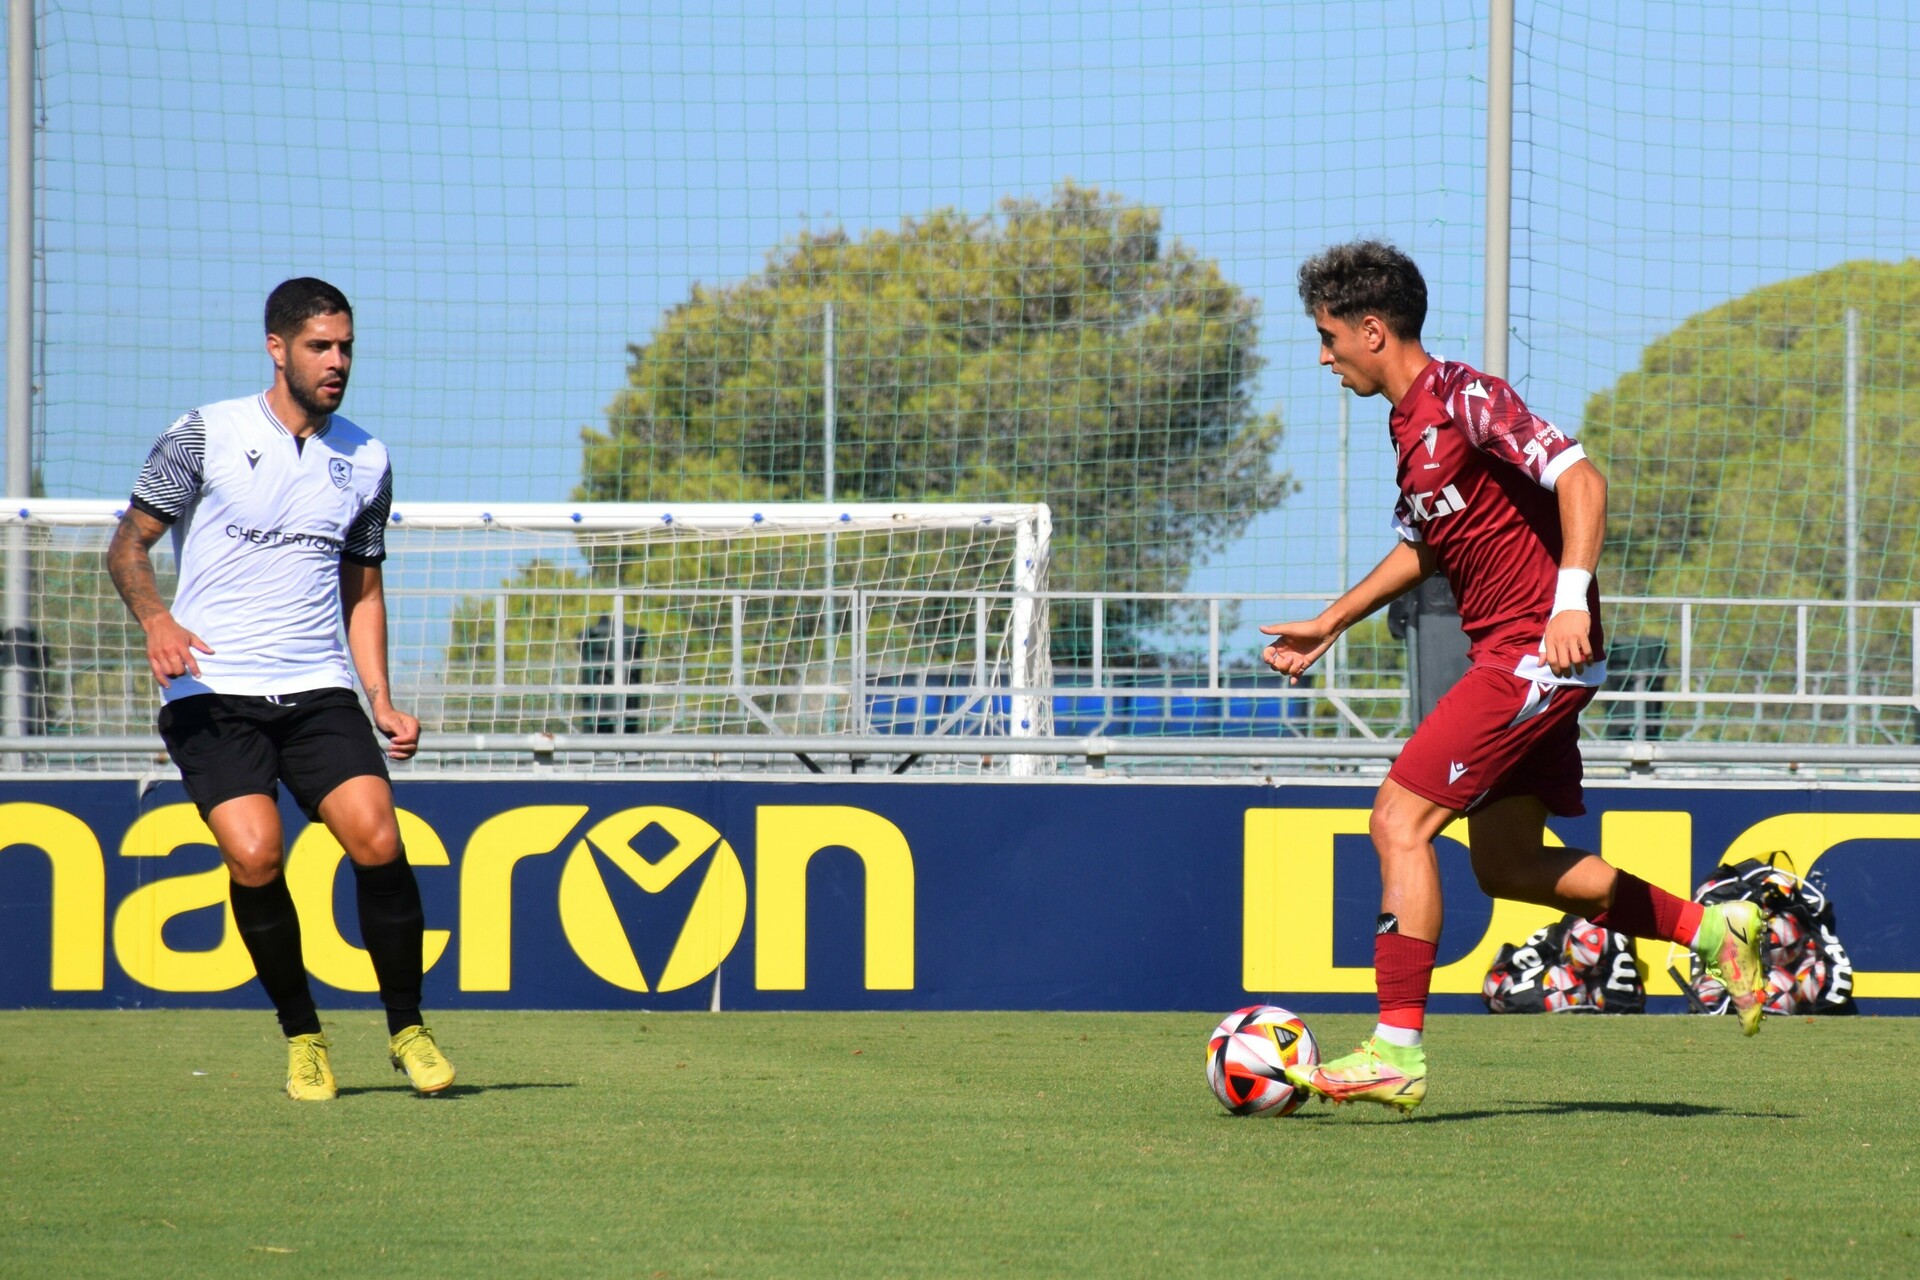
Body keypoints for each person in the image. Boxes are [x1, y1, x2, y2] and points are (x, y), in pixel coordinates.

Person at [1259, 241, 1764, 1116]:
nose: (1323, 356)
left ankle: (1394, 1052)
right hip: (1515, 652)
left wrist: (1569, 603)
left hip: (1536, 650)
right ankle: (1713, 929)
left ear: (1372, 330)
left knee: (1397, 821)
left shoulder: (1465, 396)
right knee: (1507, 864)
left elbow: (1581, 479)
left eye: (1328, 337)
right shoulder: (1407, 427)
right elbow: (1427, 546)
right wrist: (1331, 621)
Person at [108, 278, 454, 1101]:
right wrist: (157, 619)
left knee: (377, 835)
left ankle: (408, 1029)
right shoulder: (205, 434)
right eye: (319, 347)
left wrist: (380, 696)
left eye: (346, 348)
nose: (337, 362)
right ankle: (304, 1037)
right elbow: (127, 546)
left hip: (315, 686)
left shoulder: (367, 459)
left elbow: (362, 588)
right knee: (256, 853)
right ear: (277, 348)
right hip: (211, 690)